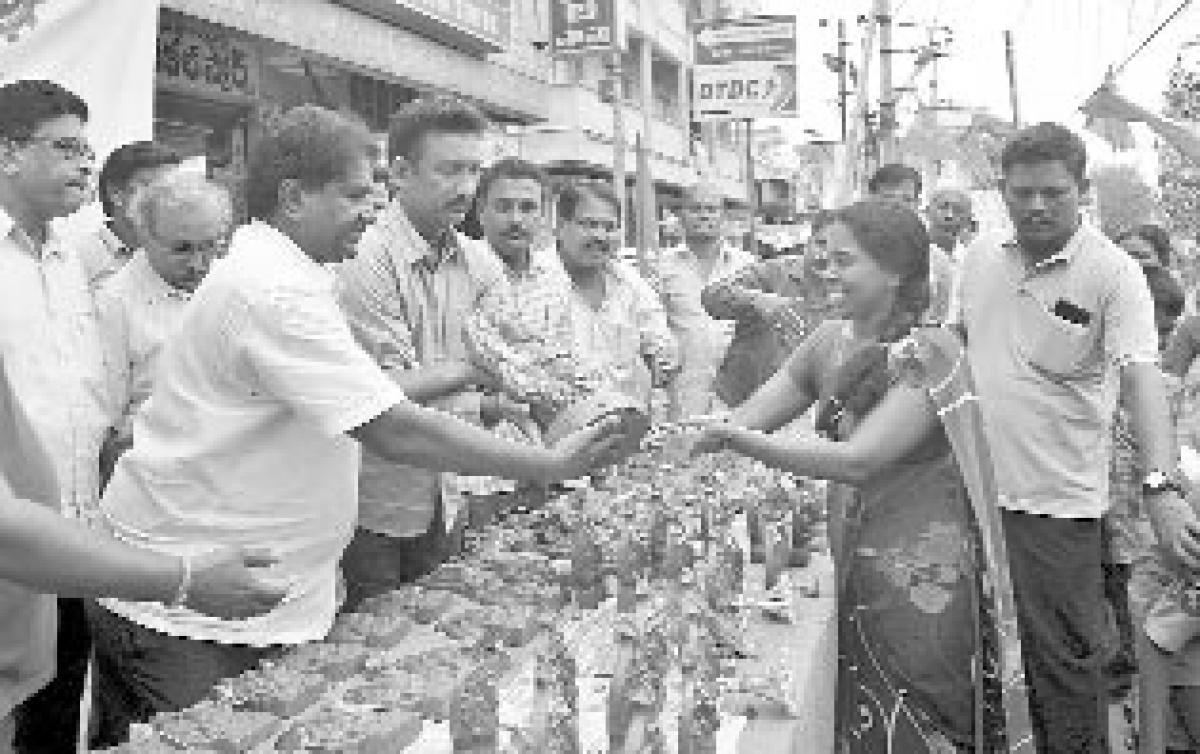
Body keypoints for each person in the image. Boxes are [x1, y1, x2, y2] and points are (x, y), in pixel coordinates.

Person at [88, 105, 626, 746]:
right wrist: (548, 464)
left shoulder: (297, 272)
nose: (373, 208)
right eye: (354, 192)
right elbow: (391, 426)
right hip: (189, 608)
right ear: (293, 197)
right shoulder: (271, 287)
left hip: (248, 595)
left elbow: (366, 405)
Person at [693, 199, 1033, 750]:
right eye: (822, 256)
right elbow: (744, 419)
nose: (824, 270)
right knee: (863, 720)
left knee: (919, 725)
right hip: (852, 556)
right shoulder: (828, 341)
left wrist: (739, 441)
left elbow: (860, 460)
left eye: (844, 260)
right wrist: (694, 438)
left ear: (895, 271)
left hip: (920, 582)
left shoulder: (931, 353)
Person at [956, 121, 1200, 752]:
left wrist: (1160, 489)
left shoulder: (1113, 275)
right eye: (1022, 192)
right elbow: (954, 345)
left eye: (1054, 193)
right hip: (970, 498)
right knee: (982, 664)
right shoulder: (980, 256)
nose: (1036, 205)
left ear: (1081, 190)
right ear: (1003, 190)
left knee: (1062, 671)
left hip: (1056, 511)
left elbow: (1144, 385)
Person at [334, 97, 511, 609]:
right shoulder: (366, 253)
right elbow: (381, 391)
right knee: (374, 650)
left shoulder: (477, 260)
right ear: (400, 173)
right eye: (450, 171)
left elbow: (509, 359)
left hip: (451, 488)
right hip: (377, 501)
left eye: (474, 171)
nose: (465, 188)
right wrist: (476, 369)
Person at [0, 79, 118, 754]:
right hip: (10, 550)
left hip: (73, 538)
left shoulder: (67, 256)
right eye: (67, 148)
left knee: (57, 716)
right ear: (9, 152)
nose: (85, 164)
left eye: (87, 149)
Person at [96, 171, 231, 489]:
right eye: (182, 249)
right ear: (143, 236)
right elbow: (108, 421)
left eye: (211, 246)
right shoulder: (113, 303)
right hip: (153, 473)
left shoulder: (230, 283)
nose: (199, 263)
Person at [551, 180, 680, 411]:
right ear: (561, 226)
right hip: (556, 437)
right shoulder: (532, 283)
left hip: (629, 430)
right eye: (588, 225)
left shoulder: (631, 286)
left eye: (609, 227)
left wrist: (663, 360)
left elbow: (661, 345)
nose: (600, 236)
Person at [701, 210, 838, 408]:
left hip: (805, 412)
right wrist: (757, 300)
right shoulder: (773, 272)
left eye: (837, 251)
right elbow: (711, 297)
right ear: (809, 240)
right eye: (821, 243)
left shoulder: (850, 291)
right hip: (740, 403)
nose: (824, 256)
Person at [652, 182, 753, 419]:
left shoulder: (749, 267)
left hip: (738, 396)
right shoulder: (661, 267)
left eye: (711, 209)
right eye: (695, 208)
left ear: (723, 216)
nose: (704, 215)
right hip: (683, 395)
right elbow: (652, 329)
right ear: (680, 215)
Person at [73, 140, 183, 289]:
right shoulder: (75, 258)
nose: (171, 200)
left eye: (175, 190)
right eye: (157, 188)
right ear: (115, 194)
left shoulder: (179, 257)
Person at [867, 163, 955, 323]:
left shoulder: (937, 261)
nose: (897, 206)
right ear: (870, 201)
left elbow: (939, 319)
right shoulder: (852, 252)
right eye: (888, 198)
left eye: (906, 199)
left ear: (916, 204)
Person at [925, 187, 974, 321]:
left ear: (967, 220)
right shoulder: (914, 254)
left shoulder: (971, 261)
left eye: (958, 210)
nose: (949, 216)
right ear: (928, 212)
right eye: (943, 207)